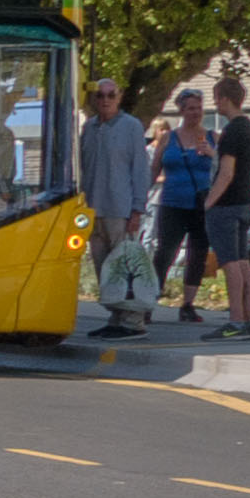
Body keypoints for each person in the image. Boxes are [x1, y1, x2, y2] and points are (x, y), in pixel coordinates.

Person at [72, 76, 155, 335]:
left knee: (125, 265)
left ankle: (133, 320)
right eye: (100, 95)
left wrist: (137, 210)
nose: (105, 100)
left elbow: (140, 170)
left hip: (121, 209)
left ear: (119, 97)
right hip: (93, 209)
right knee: (103, 268)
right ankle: (116, 317)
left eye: (111, 95)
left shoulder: (131, 126)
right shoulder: (90, 128)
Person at [204, 68, 250, 338]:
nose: (216, 104)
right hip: (244, 202)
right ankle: (248, 319)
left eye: (217, 98)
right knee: (243, 262)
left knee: (230, 262)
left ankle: (236, 320)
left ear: (224, 98)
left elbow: (226, 172)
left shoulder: (231, 131)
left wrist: (209, 202)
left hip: (226, 205)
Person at [149, 92, 220, 323]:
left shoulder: (212, 137)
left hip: (202, 204)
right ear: (181, 111)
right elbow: (154, 169)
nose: (195, 113)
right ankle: (148, 300)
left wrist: (213, 155)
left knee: (197, 254)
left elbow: (225, 170)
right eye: (190, 108)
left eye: (199, 108)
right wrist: (142, 195)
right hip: (172, 203)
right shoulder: (169, 138)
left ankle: (188, 304)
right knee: (164, 253)